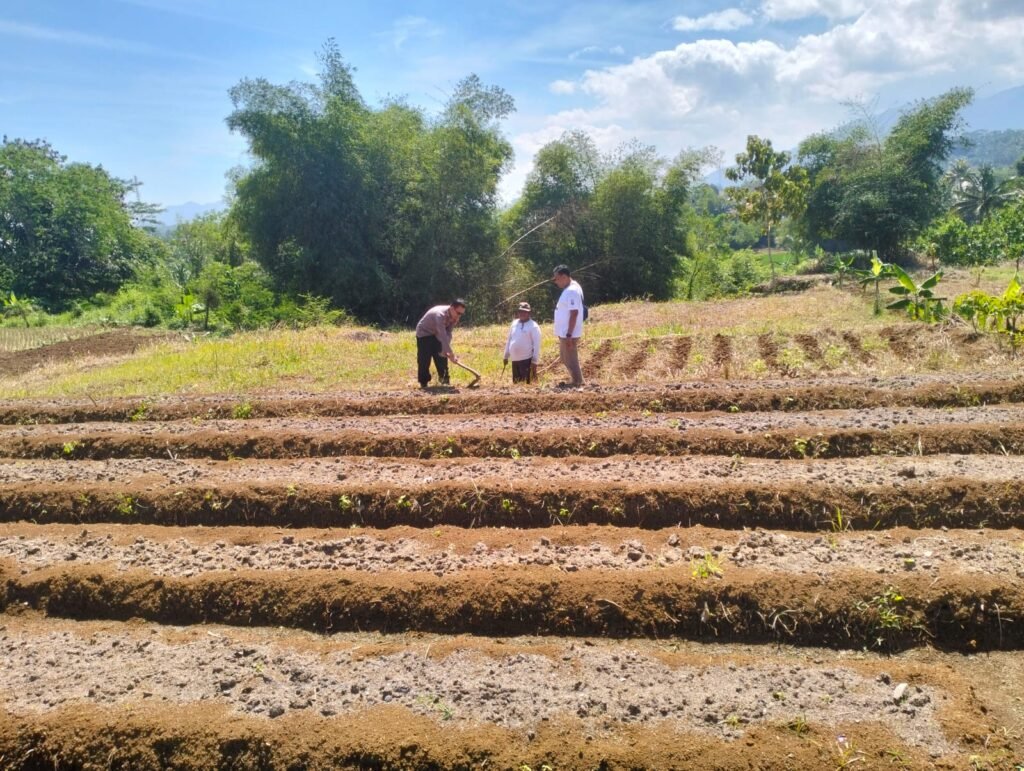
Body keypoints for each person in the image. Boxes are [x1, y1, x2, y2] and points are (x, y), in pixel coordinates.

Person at [414, 300, 466, 388]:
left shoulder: (454, 317)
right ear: (452, 308)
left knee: (441, 357)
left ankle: (445, 381)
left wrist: (446, 351)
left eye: (461, 314)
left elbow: (448, 332)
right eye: (458, 313)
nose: (459, 316)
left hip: (437, 334)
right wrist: (451, 353)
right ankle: (424, 383)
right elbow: (442, 334)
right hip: (424, 333)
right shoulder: (439, 315)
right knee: (424, 359)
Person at [552, 264, 584, 387]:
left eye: (556, 279)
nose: (555, 282)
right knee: (565, 357)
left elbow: (574, 313)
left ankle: (577, 382)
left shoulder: (572, 291)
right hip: (566, 332)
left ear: (564, 276)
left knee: (570, 359)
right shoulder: (571, 289)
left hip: (568, 333)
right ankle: (576, 380)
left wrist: (569, 334)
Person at [502, 301, 541, 384]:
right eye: (520, 311)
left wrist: (534, 362)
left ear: (529, 313)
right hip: (514, 359)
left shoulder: (534, 326)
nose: (522, 313)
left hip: (526, 360)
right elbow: (509, 339)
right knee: (516, 384)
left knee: (527, 385)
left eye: (525, 312)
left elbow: (536, 345)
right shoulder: (514, 323)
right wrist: (506, 355)